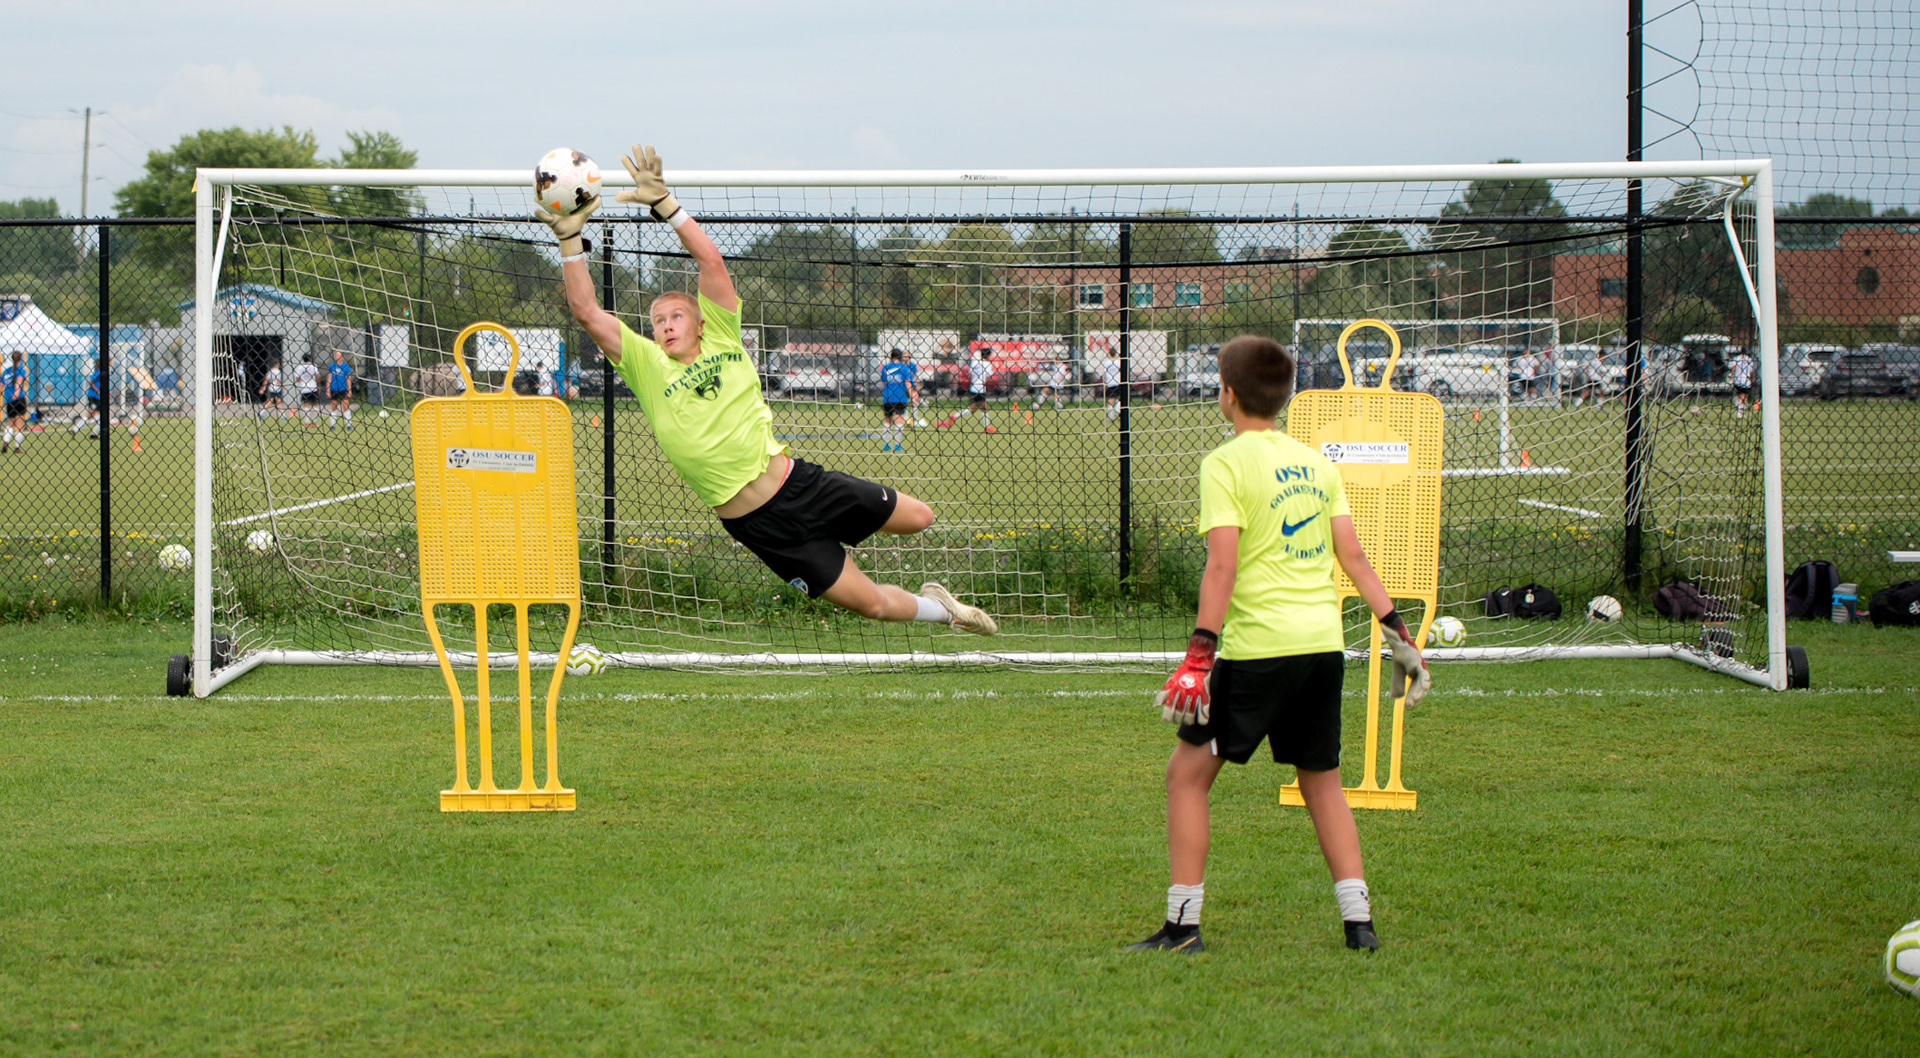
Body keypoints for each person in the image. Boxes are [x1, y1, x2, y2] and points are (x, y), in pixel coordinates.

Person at [539, 143, 996, 634]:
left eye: (676, 316)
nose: (667, 326)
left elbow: (711, 263)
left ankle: (921, 580)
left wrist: (666, 205)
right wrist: (570, 241)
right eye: (657, 321)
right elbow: (587, 312)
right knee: (872, 606)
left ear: (698, 321)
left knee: (920, 518)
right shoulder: (648, 367)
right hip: (760, 527)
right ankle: (946, 611)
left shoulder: (724, 339)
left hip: (801, 485)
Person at [1124, 335, 1430, 956]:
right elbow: (1355, 559)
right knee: (1322, 782)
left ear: (1228, 395)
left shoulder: (1225, 462)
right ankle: (1359, 925)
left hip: (1256, 650)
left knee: (1185, 777)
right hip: (1320, 649)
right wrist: (1399, 632)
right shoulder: (1317, 464)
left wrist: (1198, 656)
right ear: (1284, 397)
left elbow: (1222, 569)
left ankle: (1182, 927)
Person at [937, 347, 997, 433]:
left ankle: (955, 416)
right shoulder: (987, 364)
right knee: (980, 407)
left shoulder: (975, 362)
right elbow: (989, 376)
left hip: (973, 386)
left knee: (976, 407)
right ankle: (986, 427)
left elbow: (970, 373)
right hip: (980, 388)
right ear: (987, 355)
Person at [877, 348, 918, 452]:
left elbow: (883, 381)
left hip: (887, 397)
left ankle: (886, 445)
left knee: (888, 420)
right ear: (900, 357)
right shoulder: (904, 368)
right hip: (900, 398)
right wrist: (912, 394)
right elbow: (908, 382)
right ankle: (897, 445)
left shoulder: (885, 368)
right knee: (899, 420)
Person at [2, 350, 28, 453]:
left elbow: (1, 386)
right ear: (20, 359)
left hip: (9, 401)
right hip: (19, 399)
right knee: (19, 425)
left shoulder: (5, 372)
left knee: (10, 424)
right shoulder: (21, 370)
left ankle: (6, 442)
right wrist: (16, 393)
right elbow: (18, 383)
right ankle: (17, 447)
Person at [70, 357, 103, 439]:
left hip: (98, 397)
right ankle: (75, 429)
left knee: (100, 415)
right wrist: (98, 391)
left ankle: (94, 433)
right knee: (90, 414)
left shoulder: (102, 372)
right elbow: (91, 382)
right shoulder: (98, 372)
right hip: (94, 397)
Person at [325, 349, 354, 430]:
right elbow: (329, 378)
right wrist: (327, 389)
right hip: (333, 388)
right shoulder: (332, 366)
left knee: (345, 406)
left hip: (343, 389)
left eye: (339, 355)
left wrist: (349, 389)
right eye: (336, 355)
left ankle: (348, 425)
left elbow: (348, 379)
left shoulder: (345, 367)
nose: (338, 357)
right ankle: (333, 425)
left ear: (342, 357)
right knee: (333, 407)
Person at [1729, 346, 1756, 417]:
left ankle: (1739, 409)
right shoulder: (1749, 360)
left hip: (1737, 379)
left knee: (1738, 395)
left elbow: (1733, 368)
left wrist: (1732, 377)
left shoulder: (1736, 358)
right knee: (1744, 396)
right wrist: (1752, 379)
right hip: (1746, 380)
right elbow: (1751, 371)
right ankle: (1740, 410)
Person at [293, 354, 320, 425]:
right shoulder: (313, 366)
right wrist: (318, 385)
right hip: (313, 388)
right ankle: (314, 422)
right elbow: (318, 376)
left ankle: (306, 423)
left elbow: (297, 379)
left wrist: (302, 377)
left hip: (304, 388)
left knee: (306, 405)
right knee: (315, 405)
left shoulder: (300, 367)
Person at [1101, 355, 1124, 421]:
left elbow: (1104, 373)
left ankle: (1111, 417)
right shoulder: (1118, 362)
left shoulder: (1107, 362)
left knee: (1110, 400)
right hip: (1118, 382)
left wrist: (1104, 382)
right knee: (1119, 399)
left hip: (1110, 383)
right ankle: (1118, 413)